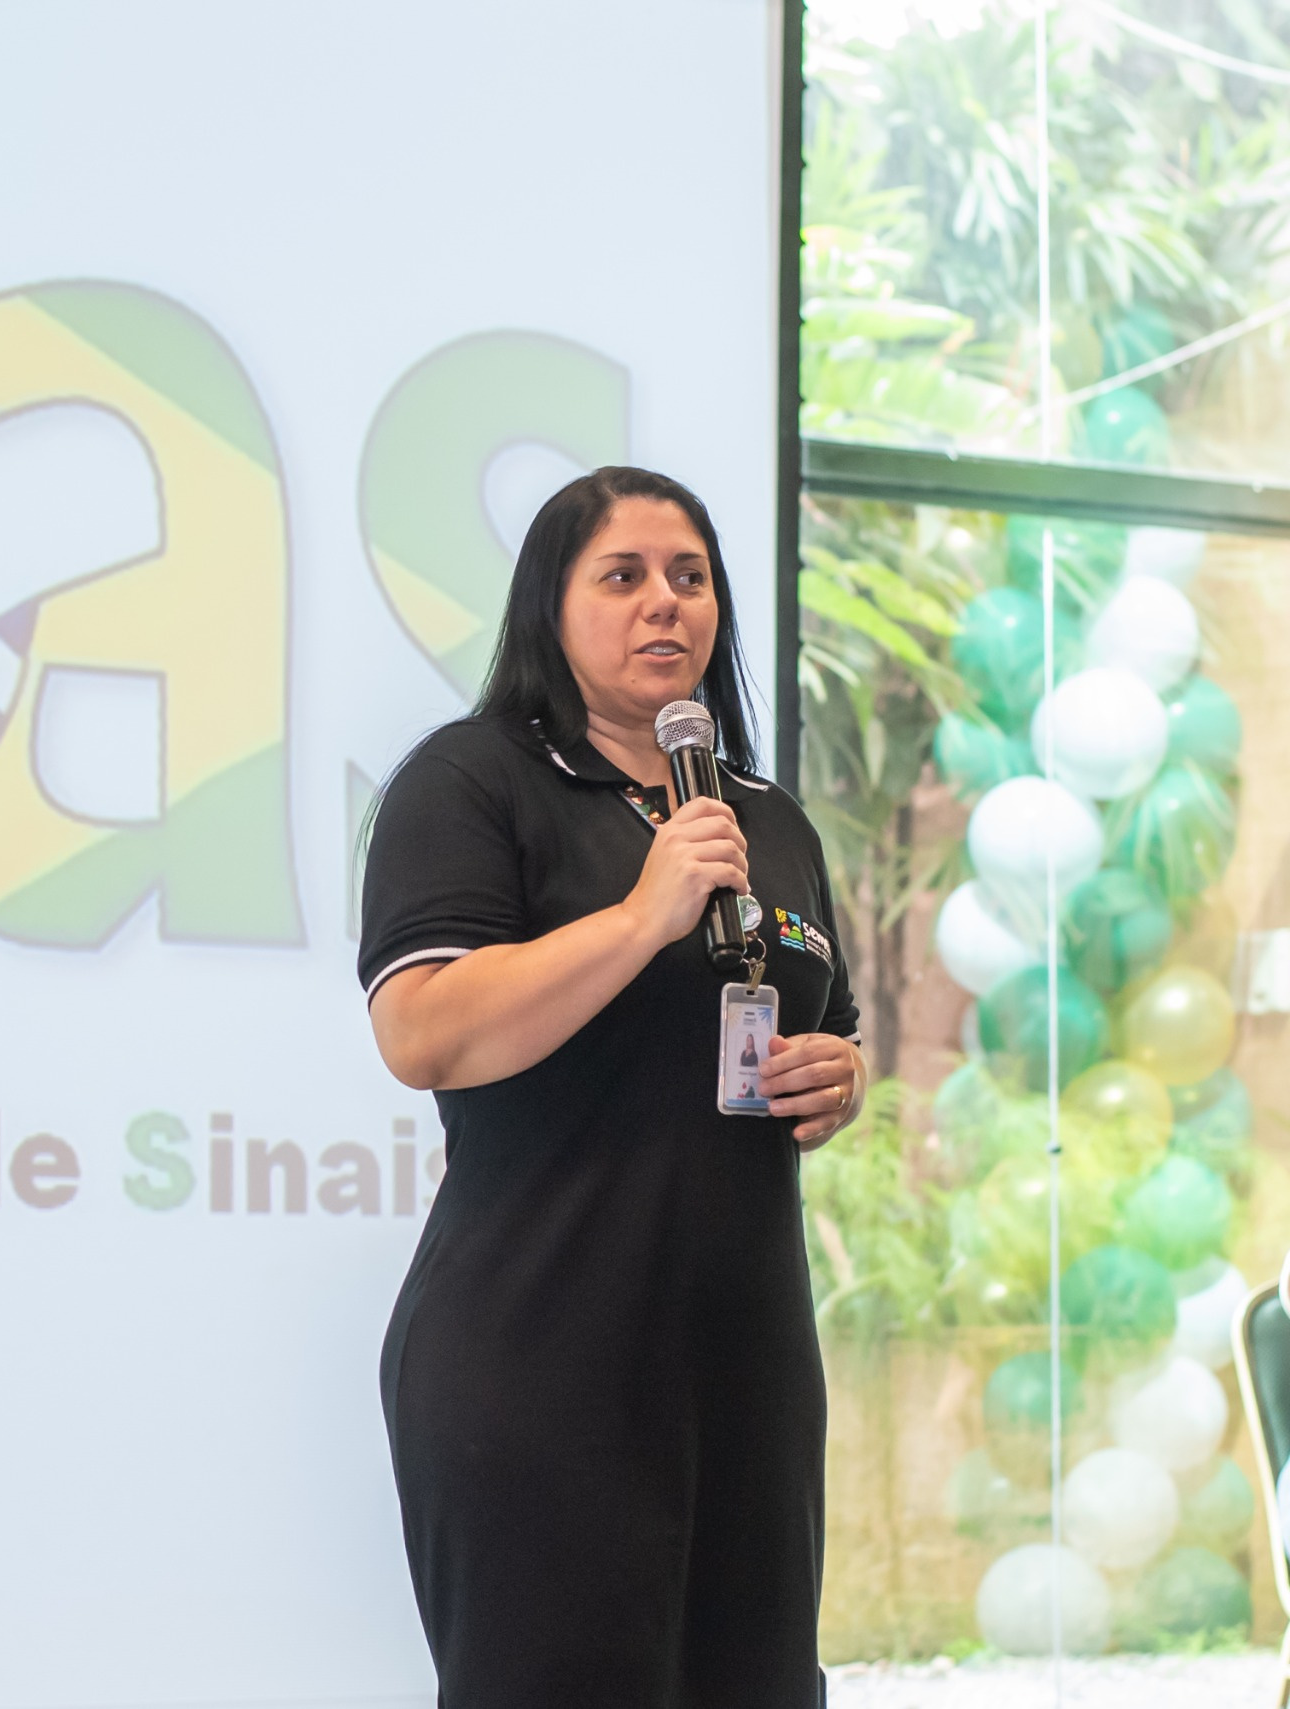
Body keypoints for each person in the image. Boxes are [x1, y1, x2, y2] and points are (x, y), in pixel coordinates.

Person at [358, 466, 864, 1707]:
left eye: (690, 577)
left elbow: (827, 1019)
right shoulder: (473, 780)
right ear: (551, 604)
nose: (665, 603)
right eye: (623, 575)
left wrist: (837, 1073)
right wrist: (641, 916)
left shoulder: (765, 816)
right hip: (541, 1354)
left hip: (745, 1359)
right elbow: (421, 1032)